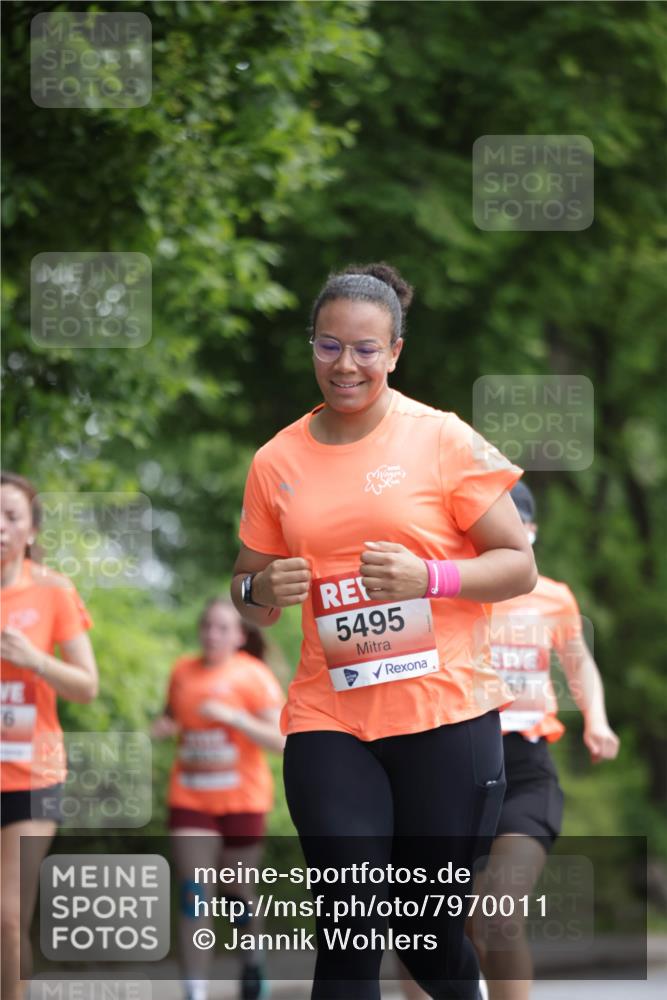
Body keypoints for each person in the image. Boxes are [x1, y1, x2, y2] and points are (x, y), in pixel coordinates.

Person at [230, 263, 538, 1000]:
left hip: (444, 714)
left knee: (426, 939)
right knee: (351, 922)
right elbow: (248, 595)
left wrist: (428, 578)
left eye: (365, 350)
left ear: (394, 352)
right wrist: (259, 587)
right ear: (312, 347)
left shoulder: (444, 438)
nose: (346, 365)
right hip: (328, 715)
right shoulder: (276, 461)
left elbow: (517, 565)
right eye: (330, 347)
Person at [465, 480, 620, 1000]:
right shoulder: (457, 590)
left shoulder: (552, 597)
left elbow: (581, 666)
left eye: (514, 524)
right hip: (457, 765)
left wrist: (596, 719)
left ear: (529, 530)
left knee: (499, 915)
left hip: (526, 771)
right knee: (443, 926)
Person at [152, 597, 285, 1000]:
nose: (212, 634)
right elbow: (173, 716)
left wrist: (235, 718)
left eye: (223, 628)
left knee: (237, 893)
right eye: (207, 626)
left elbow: (282, 742)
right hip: (191, 798)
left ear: (241, 636)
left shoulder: (254, 675)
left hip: (242, 801)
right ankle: (196, 991)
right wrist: (162, 727)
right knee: (194, 891)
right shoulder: (182, 671)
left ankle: (252, 961)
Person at [0, 472, 98, 1000]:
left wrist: (33, 660)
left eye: (11, 516)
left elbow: (87, 685)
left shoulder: (53, 590)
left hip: (30, 775)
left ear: (32, 530)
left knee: (8, 918)